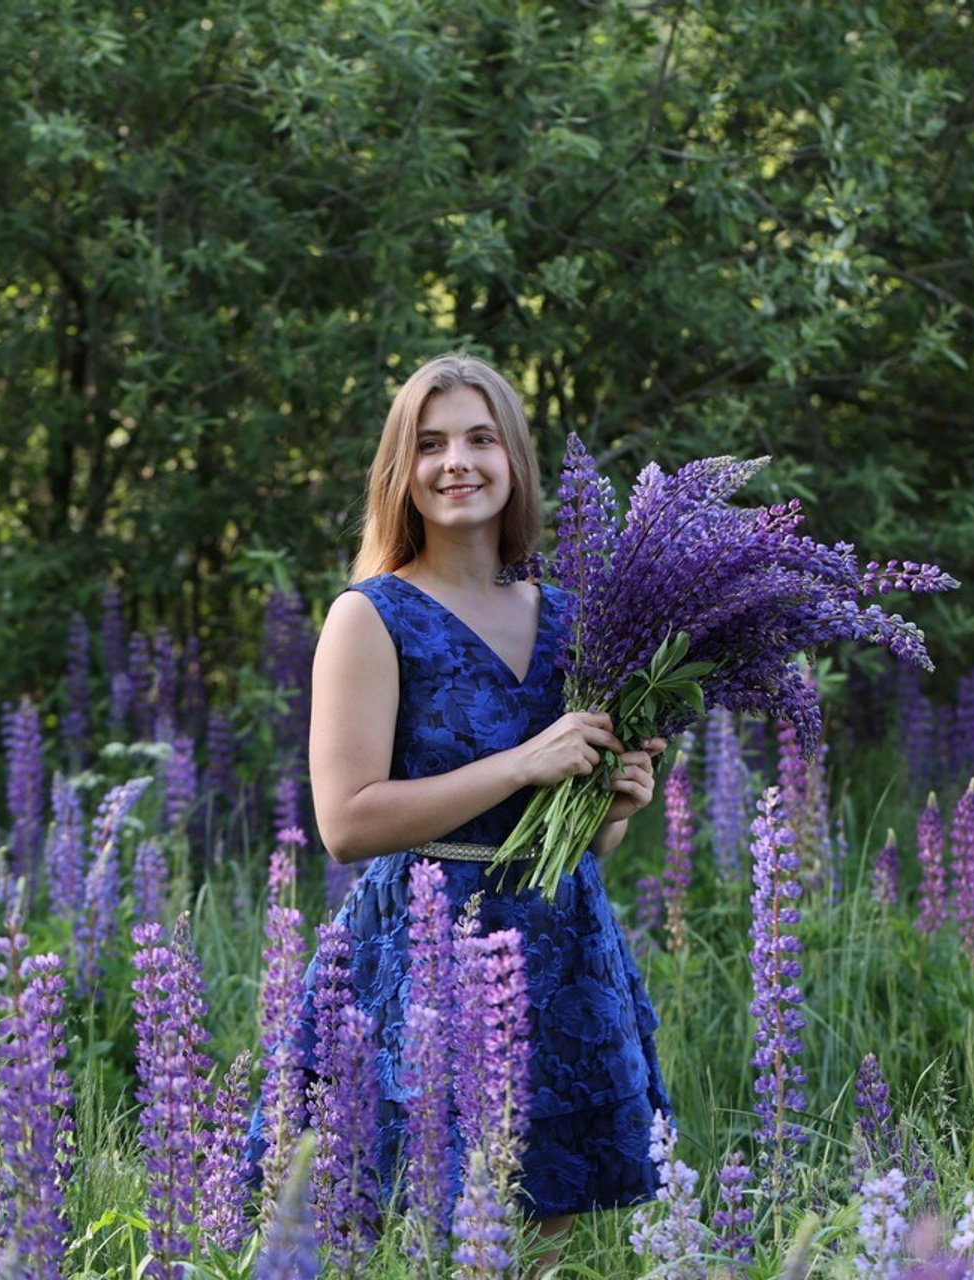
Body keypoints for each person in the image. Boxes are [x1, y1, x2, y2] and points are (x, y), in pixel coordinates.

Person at [295, 352, 670, 1257]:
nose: (455, 461)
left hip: (560, 947)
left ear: (515, 462)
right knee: (404, 1233)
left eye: (479, 438)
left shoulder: (581, 620)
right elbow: (345, 822)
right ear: (402, 472)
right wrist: (521, 763)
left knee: (538, 1247)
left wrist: (616, 804)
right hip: (420, 953)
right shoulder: (371, 615)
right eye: (429, 444)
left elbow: (583, 839)